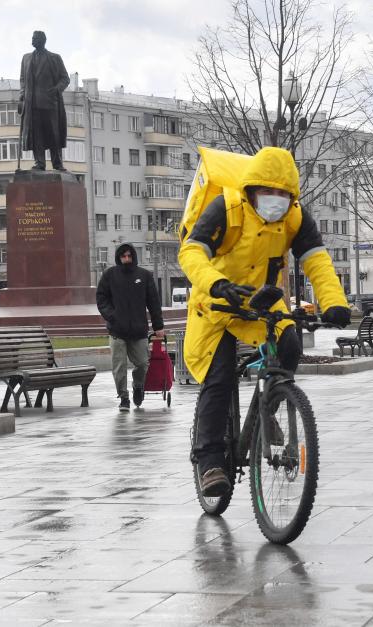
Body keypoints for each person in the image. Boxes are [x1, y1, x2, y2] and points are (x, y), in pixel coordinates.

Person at [178, 146, 351, 497]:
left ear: (292, 195)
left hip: (259, 304)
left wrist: (334, 302)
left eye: (283, 194)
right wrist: (217, 284)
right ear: (252, 190)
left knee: (288, 346)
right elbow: (191, 251)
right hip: (215, 304)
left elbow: (316, 260)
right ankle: (210, 462)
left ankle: (267, 408)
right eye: (267, 192)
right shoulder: (226, 208)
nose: (275, 199)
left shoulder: (296, 217)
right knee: (220, 377)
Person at [96, 243, 165, 411]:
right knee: (119, 367)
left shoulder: (144, 275)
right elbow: (101, 298)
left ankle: (138, 386)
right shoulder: (109, 275)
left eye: (129, 256)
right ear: (119, 258)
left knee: (142, 363)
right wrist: (112, 316)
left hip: (138, 330)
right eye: (123, 256)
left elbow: (154, 303)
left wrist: (158, 326)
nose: (126, 259)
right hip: (117, 331)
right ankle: (124, 397)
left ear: (133, 256)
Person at [18, 30, 70, 171]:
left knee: (54, 134)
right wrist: (22, 94)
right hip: (32, 104)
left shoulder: (54, 58)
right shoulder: (26, 58)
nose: (32, 41)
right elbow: (22, 79)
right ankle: (39, 163)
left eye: (34, 38)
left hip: (50, 103)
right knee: (37, 136)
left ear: (42, 40)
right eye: (32, 38)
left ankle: (57, 164)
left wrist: (56, 89)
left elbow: (65, 78)